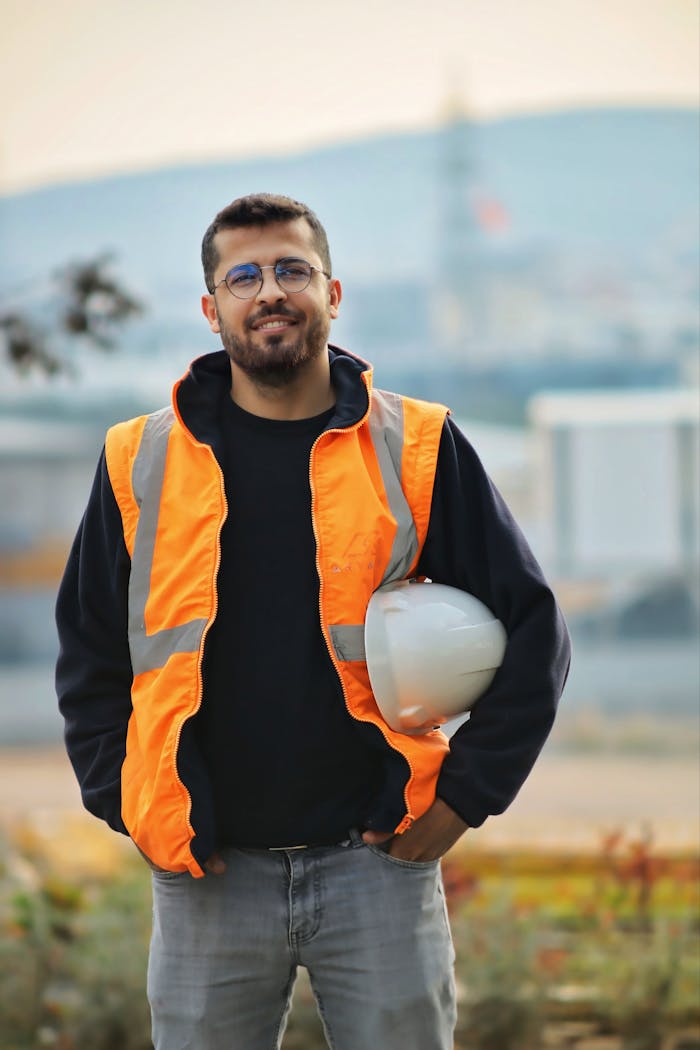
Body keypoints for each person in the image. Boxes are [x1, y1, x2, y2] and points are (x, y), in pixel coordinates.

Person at [56, 192, 571, 1050]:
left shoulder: (416, 445)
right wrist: (129, 805)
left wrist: (463, 801)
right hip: (207, 874)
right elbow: (90, 661)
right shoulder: (136, 462)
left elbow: (536, 630)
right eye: (243, 276)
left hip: (379, 863)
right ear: (211, 307)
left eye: (293, 270)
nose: (270, 293)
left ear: (333, 295)